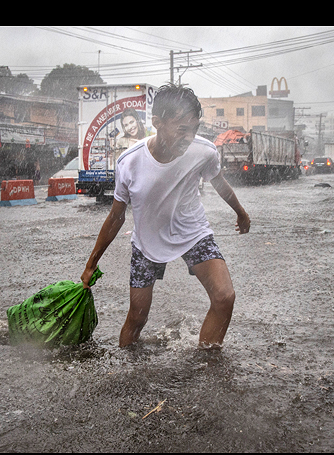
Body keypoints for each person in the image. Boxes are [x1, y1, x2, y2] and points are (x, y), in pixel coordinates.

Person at [81, 84, 250, 349]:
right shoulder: (130, 162)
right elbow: (116, 217)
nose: (189, 137)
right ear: (157, 122)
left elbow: (219, 182)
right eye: (182, 129)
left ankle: (206, 364)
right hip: (147, 242)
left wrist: (241, 213)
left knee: (224, 296)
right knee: (137, 318)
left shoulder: (204, 151)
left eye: (194, 129)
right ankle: (127, 372)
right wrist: (91, 264)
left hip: (193, 233)